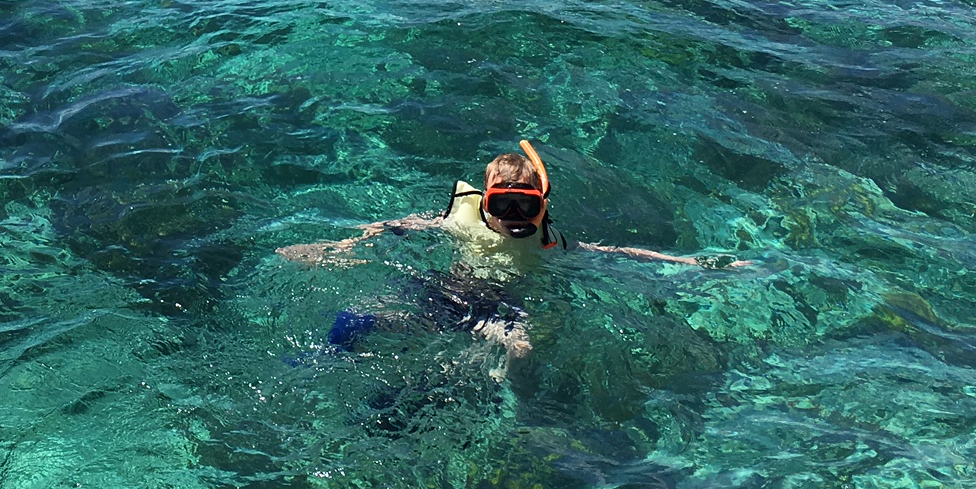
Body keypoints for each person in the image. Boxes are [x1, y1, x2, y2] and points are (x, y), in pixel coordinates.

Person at [279, 141, 751, 355]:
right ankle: (317, 360)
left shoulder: (553, 245)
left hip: (501, 309)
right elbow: (388, 226)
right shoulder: (454, 221)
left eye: (525, 208)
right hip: (441, 289)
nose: (513, 219)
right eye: (501, 205)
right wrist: (336, 246)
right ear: (482, 204)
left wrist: (691, 263)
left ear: (541, 206)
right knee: (355, 318)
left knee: (519, 350)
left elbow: (617, 253)